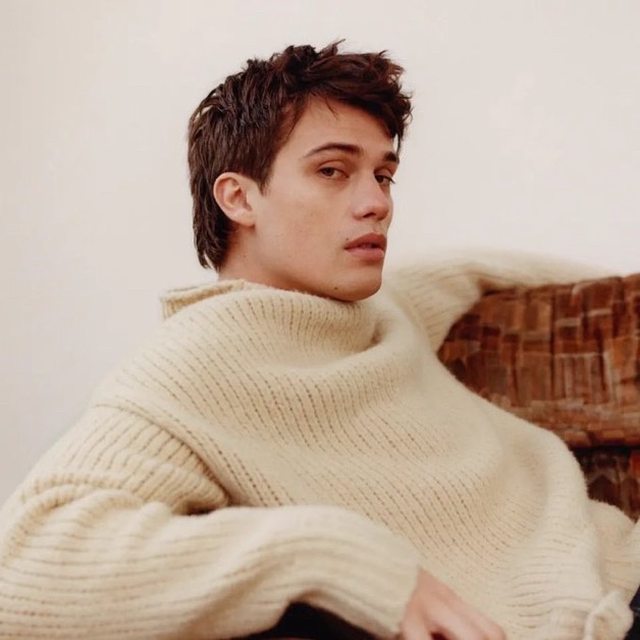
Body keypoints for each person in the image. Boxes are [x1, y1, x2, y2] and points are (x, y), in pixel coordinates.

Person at [0, 41, 638, 640]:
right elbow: (24, 569)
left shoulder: (381, 305)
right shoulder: (187, 370)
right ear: (238, 198)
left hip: (620, 563)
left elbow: (482, 269)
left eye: (383, 175)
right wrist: (331, 554)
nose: (377, 203)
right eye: (333, 170)